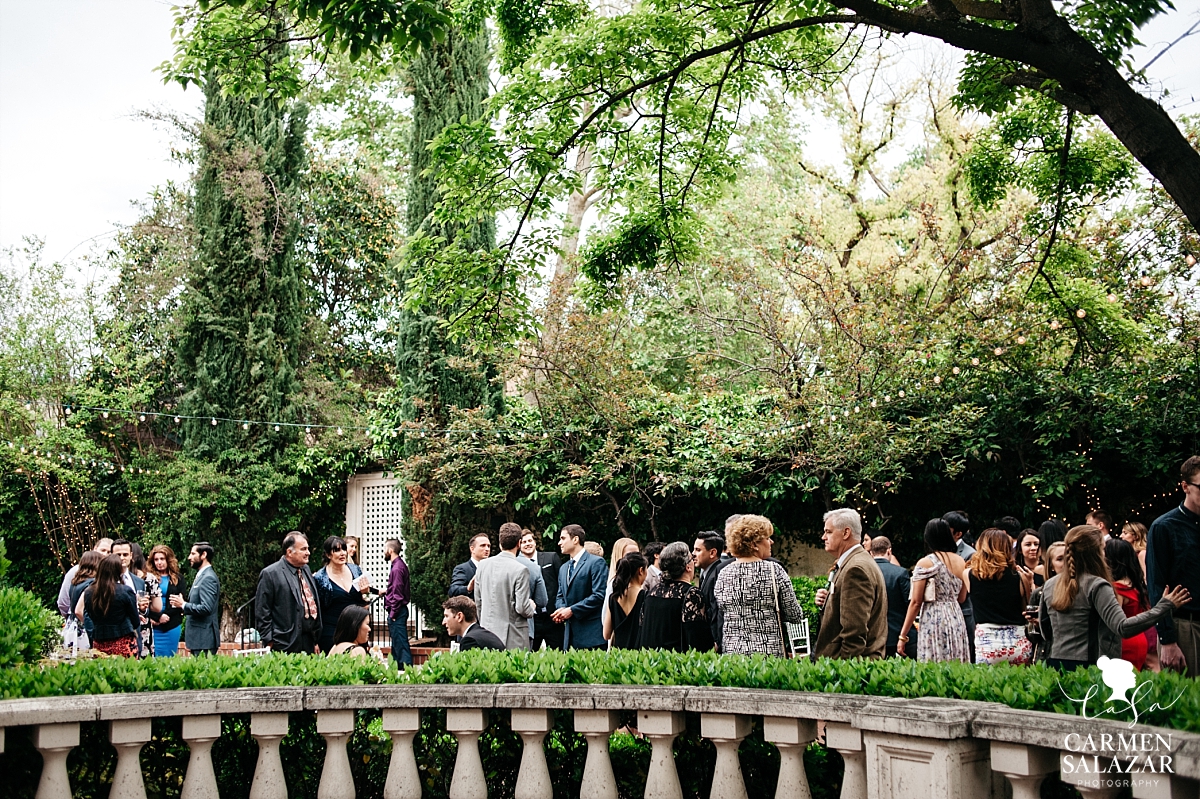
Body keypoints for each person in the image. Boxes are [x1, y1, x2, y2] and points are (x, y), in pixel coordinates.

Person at [1042, 525, 1189, 671]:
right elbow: (1122, 627)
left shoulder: (1049, 585)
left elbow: (1045, 629)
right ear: (1096, 552)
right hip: (1091, 665)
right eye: (1103, 548)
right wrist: (1164, 606)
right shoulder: (1096, 585)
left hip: (1055, 663)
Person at [716, 514, 806, 658]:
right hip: (769, 656)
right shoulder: (774, 570)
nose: (771, 542)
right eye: (767, 538)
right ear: (754, 544)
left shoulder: (723, 573)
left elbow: (721, 610)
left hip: (733, 656)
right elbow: (795, 615)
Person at [1147, 456, 1200, 676]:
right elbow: (1156, 586)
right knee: (1186, 704)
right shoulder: (1164, 527)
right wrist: (1167, 640)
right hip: (1183, 625)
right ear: (1185, 487)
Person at [897, 519, 970, 663]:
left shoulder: (925, 562)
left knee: (934, 663)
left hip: (933, 616)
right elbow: (962, 598)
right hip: (956, 615)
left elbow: (916, 602)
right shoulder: (961, 561)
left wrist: (903, 636)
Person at [966, 529, 1034, 665]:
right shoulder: (1020, 577)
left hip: (987, 643)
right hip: (1017, 641)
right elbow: (1026, 607)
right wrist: (1030, 583)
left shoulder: (968, 574)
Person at [255, 532, 323, 654]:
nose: (308, 552)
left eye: (307, 548)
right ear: (289, 552)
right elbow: (262, 611)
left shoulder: (305, 569)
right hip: (284, 642)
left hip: (308, 641)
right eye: (303, 549)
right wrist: (269, 640)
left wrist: (315, 640)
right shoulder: (270, 574)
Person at [473, 523, 538, 650]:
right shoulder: (521, 569)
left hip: (486, 631)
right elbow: (522, 608)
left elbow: (478, 602)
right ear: (519, 543)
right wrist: (532, 606)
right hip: (513, 635)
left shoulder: (483, 565)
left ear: (500, 543)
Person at [638, 542, 712, 651]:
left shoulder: (653, 592)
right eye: (692, 559)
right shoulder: (691, 594)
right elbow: (699, 639)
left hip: (651, 661)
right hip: (677, 662)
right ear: (687, 567)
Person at [551, 524, 608, 650]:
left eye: (563, 538)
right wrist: (561, 610)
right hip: (570, 636)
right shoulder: (563, 568)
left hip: (592, 635)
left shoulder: (596, 562)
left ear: (575, 539)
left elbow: (599, 595)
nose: (560, 543)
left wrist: (571, 610)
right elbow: (560, 595)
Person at [312, 536, 370, 653]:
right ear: (329, 555)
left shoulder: (355, 570)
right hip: (331, 630)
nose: (343, 553)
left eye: (344, 549)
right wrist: (314, 640)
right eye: (337, 550)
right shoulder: (320, 578)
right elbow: (317, 610)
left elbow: (364, 602)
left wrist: (365, 593)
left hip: (354, 628)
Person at [80, 554, 140, 657]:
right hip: (123, 640)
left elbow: (89, 615)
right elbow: (135, 622)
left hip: (99, 642)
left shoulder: (89, 592)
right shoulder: (125, 591)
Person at [1106, 537, 1152, 670]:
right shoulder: (1135, 585)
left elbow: (1114, 622)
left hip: (1124, 643)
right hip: (1139, 639)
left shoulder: (1117, 588)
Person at [111, 538, 160, 658]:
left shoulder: (138, 581)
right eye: (118, 555)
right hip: (113, 638)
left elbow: (145, 611)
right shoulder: (105, 581)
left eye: (125, 554)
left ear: (131, 556)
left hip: (137, 638)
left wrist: (143, 609)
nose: (122, 558)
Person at [170, 542, 221, 656]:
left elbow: (206, 608)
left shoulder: (208, 578)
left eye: (193, 553)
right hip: (199, 640)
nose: (189, 557)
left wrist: (183, 605)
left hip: (204, 640)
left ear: (203, 555)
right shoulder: (201, 575)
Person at [869, 537, 914, 658]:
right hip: (899, 633)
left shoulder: (866, 573)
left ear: (871, 553)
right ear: (889, 551)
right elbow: (910, 603)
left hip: (873, 636)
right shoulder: (900, 573)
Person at [520, 530, 564, 651]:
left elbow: (562, 583)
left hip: (553, 617)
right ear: (519, 545)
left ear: (535, 542)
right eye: (524, 542)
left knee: (559, 655)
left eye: (530, 540)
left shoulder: (551, 557)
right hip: (531, 619)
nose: (527, 544)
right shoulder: (517, 564)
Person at [943, 510, 976, 660]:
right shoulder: (938, 550)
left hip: (962, 611)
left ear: (958, 534)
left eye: (946, 529)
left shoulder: (970, 554)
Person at [694, 532, 733, 650]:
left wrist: (716, 641)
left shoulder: (719, 573)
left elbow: (717, 611)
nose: (693, 554)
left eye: (698, 550)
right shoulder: (706, 573)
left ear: (712, 553)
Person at [57, 537, 113, 618]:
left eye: (109, 552)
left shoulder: (110, 573)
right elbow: (63, 601)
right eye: (103, 550)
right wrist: (70, 616)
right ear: (95, 548)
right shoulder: (76, 571)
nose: (105, 554)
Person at [146, 545, 184, 657]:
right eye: (156, 560)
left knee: (169, 657)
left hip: (171, 624)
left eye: (162, 559)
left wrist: (164, 616)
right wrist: (157, 617)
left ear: (168, 560)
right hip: (153, 625)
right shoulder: (148, 578)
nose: (159, 562)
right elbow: (144, 601)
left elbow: (179, 601)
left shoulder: (178, 578)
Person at [604, 552, 647, 649]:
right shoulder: (646, 597)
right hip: (640, 654)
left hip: (619, 655)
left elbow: (606, 634)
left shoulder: (613, 598)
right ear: (641, 570)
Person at [66, 550, 104, 652]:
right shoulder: (92, 584)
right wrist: (92, 628)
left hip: (73, 627)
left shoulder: (75, 583)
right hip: (85, 630)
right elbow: (79, 610)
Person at [383, 538, 412, 668]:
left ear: (390, 550)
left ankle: (406, 672)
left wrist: (393, 613)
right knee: (397, 645)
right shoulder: (398, 566)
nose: (384, 552)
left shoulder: (397, 569)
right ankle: (398, 671)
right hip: (398, 611)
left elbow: (397, 593)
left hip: (397, 612)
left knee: (401, 645)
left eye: (384, 549)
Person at [601, 537, 640, 633]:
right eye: (629, 555)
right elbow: (605, 617)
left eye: (637, 554)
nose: (633, 558)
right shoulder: (615, 583)